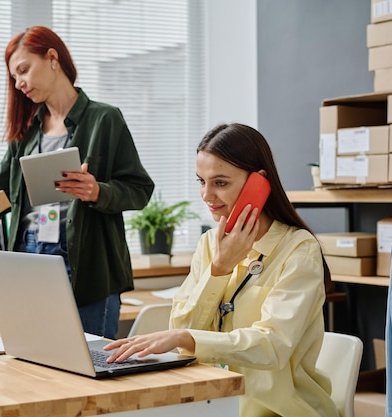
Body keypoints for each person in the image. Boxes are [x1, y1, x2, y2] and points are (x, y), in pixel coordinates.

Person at [105, 123, 339, 417]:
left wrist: (187, 339)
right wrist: (219, 268)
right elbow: (183, 328)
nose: (206, 194)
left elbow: (272, 346)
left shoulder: (299, 249)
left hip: (278, 410)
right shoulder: (208, 245)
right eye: (201, 181)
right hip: (212, 404)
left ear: (259, 182)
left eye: (220, 182)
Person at [0, 26, 154, 339]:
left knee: (87, 369)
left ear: (52, 58)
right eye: (15, 78)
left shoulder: (104, 119)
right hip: (29, 259)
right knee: (35, 367)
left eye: (24, 71)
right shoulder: (27, 132)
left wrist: (97, 191)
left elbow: (139, 189)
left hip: (86, 265)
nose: (19, 84)